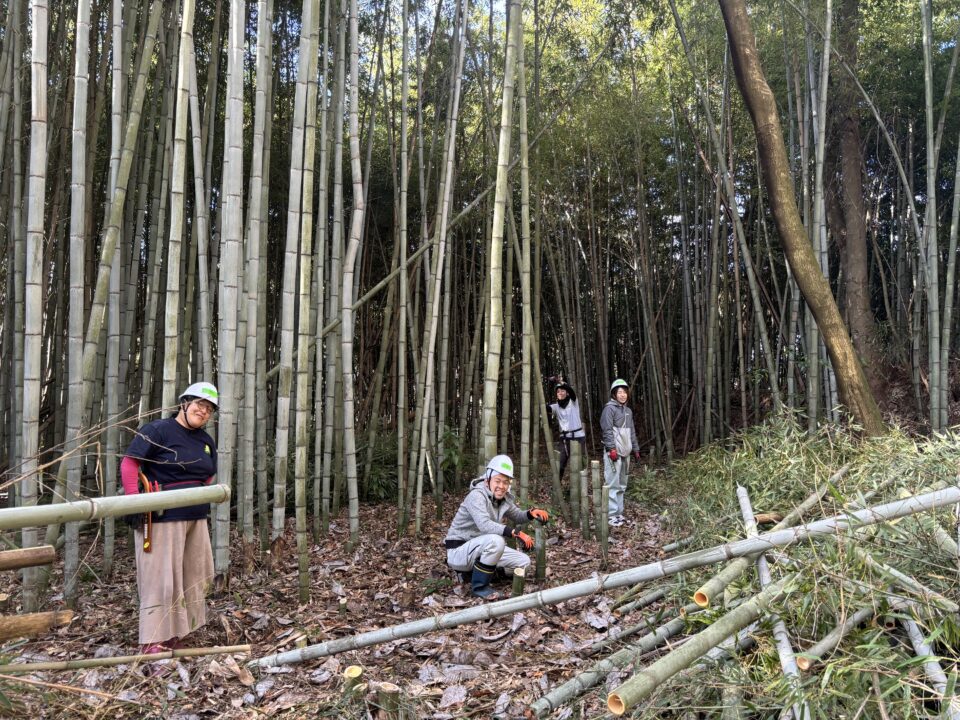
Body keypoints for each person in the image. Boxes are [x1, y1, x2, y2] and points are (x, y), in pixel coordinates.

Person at [120, 381, 219, 655]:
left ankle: (177, 632)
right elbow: (130, 463)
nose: (204, 411)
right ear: (184, 403)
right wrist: (135, 500)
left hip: (195, 516)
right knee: (161, 580)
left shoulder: (206, 440)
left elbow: (208, 474)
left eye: (209, 409)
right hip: (161, 516)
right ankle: (152, 642)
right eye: (199, 404)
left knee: (194, 575)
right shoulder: (158, 430)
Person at [444, 454, 549, 599]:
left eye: (506, 482)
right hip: (459, 552)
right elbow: (485, 525)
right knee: (496, 541)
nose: (501, 486)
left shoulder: (502, 499)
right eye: (497, 481)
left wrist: (532, 513)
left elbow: (517, 515)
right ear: (488, 479)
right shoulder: (476, 496)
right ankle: (479, 587)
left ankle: (471, 574)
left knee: (523, 563)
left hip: (481, 549)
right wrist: (516, 533)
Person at [599, 378, 640, 528]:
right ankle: (611, 514)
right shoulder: (609, 409)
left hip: (626, 451)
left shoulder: (628, 411)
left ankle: (619, 513)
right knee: (612, 482)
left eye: (624, 392)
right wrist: (611, 449)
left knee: (622, 483)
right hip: (614, 452)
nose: (622, 395)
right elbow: (607, 430)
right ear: (614, 394)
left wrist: (635, 449)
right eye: (619, 392)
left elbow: (632, 432)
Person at [545, 378, 586, 479]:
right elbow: (545, 407)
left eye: (563, 391)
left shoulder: (573, 402)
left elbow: (571, 391)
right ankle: (558, 487)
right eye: (558, 391)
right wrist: (549, 388)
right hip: (564, 439)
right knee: (560, 463)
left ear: (567, 393)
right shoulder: (556, 407)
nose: (560, 393)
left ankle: (581, 489)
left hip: (578, 438)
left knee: (579, 465)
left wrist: (559, 381)